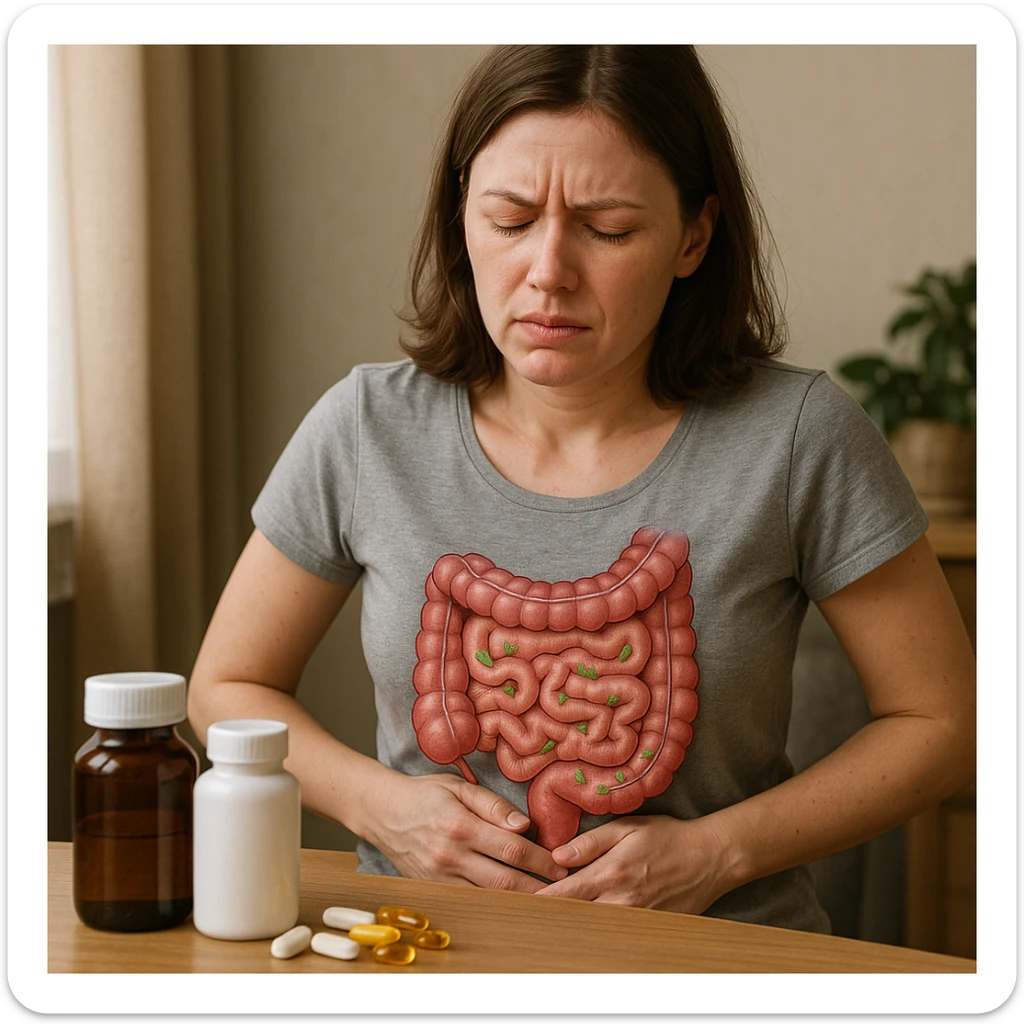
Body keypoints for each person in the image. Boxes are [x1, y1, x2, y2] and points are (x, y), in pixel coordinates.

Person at [187, 44, 975, 934]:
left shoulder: (797, 437)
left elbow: (941, 723)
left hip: (715, 958)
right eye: (511, 218)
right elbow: (225, 685)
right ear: (462, 219)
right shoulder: (366, 428)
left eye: (607, 229)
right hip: (419, 952)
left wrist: (720, 852)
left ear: (694, 237)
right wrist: (382, 808)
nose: (548, 269)